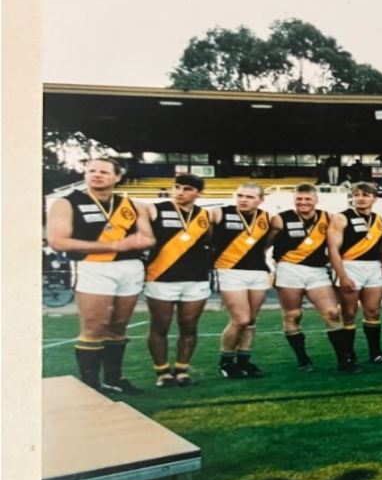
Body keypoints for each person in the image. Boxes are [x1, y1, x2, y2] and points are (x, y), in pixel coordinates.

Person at [46, 157, 155, 394]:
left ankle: (114, 379)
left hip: (130, 268)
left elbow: (148, 238)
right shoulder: (66, 202)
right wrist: (115, 245)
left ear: (117, 177)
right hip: (93, 267)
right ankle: (90, 385)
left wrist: (137, 242)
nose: (96, 175)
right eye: (91, 170)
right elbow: (58, 241)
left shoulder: (133, 204)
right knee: (95, 328)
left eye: (104, 172)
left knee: (118, 327)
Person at [267, 183, 356, 373]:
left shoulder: (328, 217)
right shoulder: (280, 219)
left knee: (332, 312)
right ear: (294, 200)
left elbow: (338, 244)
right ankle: (302, 359)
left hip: (317, 270)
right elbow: (265, 243)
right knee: (293, 315)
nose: (303, 202)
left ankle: (344, 360)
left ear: (316, 200)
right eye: (299, 199)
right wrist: (268, 266)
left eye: (308, 199)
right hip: (289, 269)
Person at [142, 174, 213, 387]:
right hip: (161, 278)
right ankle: (162, 372)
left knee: (189, 327)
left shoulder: (204, 215)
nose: (180, 192)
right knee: (160, 326)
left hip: (196, 280)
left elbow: (208, 240)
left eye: (188, 188)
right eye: (177, 187)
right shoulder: (155, 209)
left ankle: (182, 370)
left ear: (198, 193)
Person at [211, 183, 273, 379]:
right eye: (240, 195)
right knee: (240, 320)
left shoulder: (267, 218)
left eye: (250, 197)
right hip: (229, 270)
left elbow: (267, 243)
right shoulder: (219, 213)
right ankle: (226, 361)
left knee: (251, 321)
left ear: (260, 200)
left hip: (257, 271)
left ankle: (244, 362)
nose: (244, 200)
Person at [327, 182, 382, 366]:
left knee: (373, 311)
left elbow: (378, 246)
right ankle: (348, 355)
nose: (361, 198)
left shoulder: (378, 219)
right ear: (352, 197)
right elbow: (333, 249)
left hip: (372, 268)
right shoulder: (341, 218)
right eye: (357, 194)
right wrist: (342, 275)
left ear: (374, 198)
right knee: (349, 313)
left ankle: (375, 353)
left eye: (366, 195)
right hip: (349, 266)